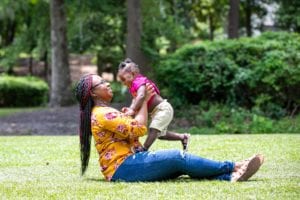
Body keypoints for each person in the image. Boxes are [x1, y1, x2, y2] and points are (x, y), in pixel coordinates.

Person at [75, 74, 264, 182]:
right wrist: (143, 101)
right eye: (102, 83)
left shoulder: (103, 112)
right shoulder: (101, 113)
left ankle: (229, 177)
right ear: (93, 92)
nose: (108, 83)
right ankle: (235, 166)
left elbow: (128, 126)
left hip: (126, 166)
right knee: (176, 157)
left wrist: (131, 111)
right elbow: (140, 129)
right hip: (123, 167)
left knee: (179, 167)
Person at [117, 58, 190, 151]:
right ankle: (183, 137)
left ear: (133, 73)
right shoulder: (133, 86)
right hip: (156, 111)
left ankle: (144, 149)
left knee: (153, 129)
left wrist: (133, 109)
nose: (123, 82)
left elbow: (142, 95)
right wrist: (130, 109)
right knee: (160, 135)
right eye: (121, 80)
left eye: (123, 79)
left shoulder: (138, 81)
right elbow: (136, 100)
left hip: (162, 109)